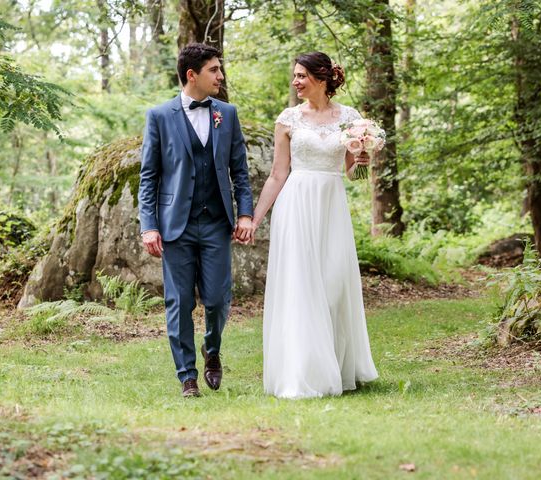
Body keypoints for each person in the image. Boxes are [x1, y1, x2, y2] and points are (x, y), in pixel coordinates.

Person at [252, 52, 378, 399]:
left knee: (334, 283)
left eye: (302, 76)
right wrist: (256, 217)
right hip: (296, 204)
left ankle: (336, 365)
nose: (296, 82)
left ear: (322, 78)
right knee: (301, 287)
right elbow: (279, 174)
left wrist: (363, 160)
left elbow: (354, 173)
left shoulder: (350, 119)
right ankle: (303, 372)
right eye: (294, 76)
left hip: (331, 203)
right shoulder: (288, 119)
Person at [138, 43, 254, 398]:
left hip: (217, 224)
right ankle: (187, 375)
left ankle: (212, 349)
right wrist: (149, 225)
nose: (220, 76)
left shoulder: (227, 114)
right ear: (193, 75)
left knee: (218, 299)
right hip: (176, 225)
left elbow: (240, 172)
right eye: (214, 70)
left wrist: (245, 213)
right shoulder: (159, 116)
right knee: (179, 302)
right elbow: (149, 176)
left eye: (219, 70)